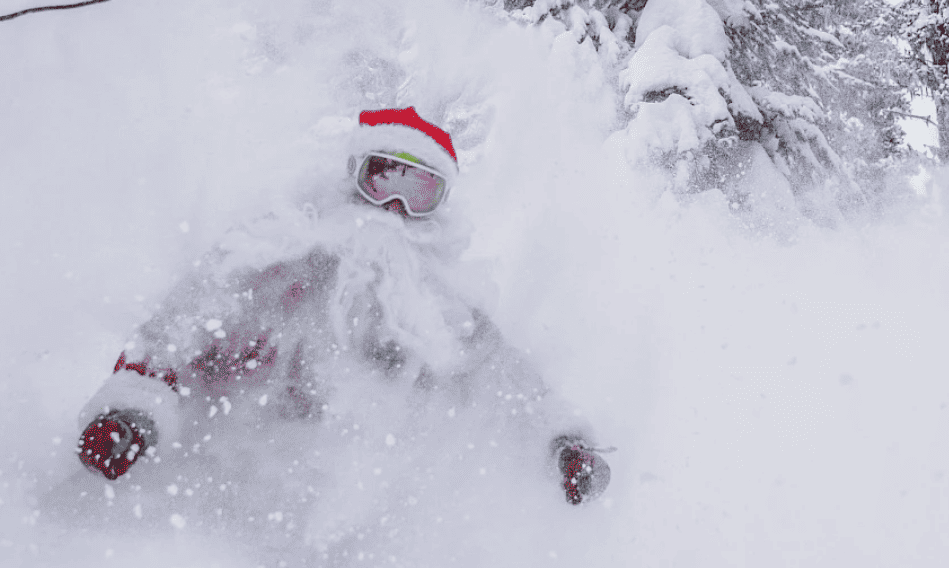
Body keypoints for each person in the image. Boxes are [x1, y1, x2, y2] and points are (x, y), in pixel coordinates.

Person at [75, 107, 610, 505]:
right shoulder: (270, 256)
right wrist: (131, 414)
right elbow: (176, 330)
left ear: (435, 212)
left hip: (346, 498)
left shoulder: (436, 310)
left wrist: (563, 444)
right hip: (216, 467)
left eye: (418, 193)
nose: (393, 209)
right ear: (353, 177)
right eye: (382, 180)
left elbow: (505, 380)